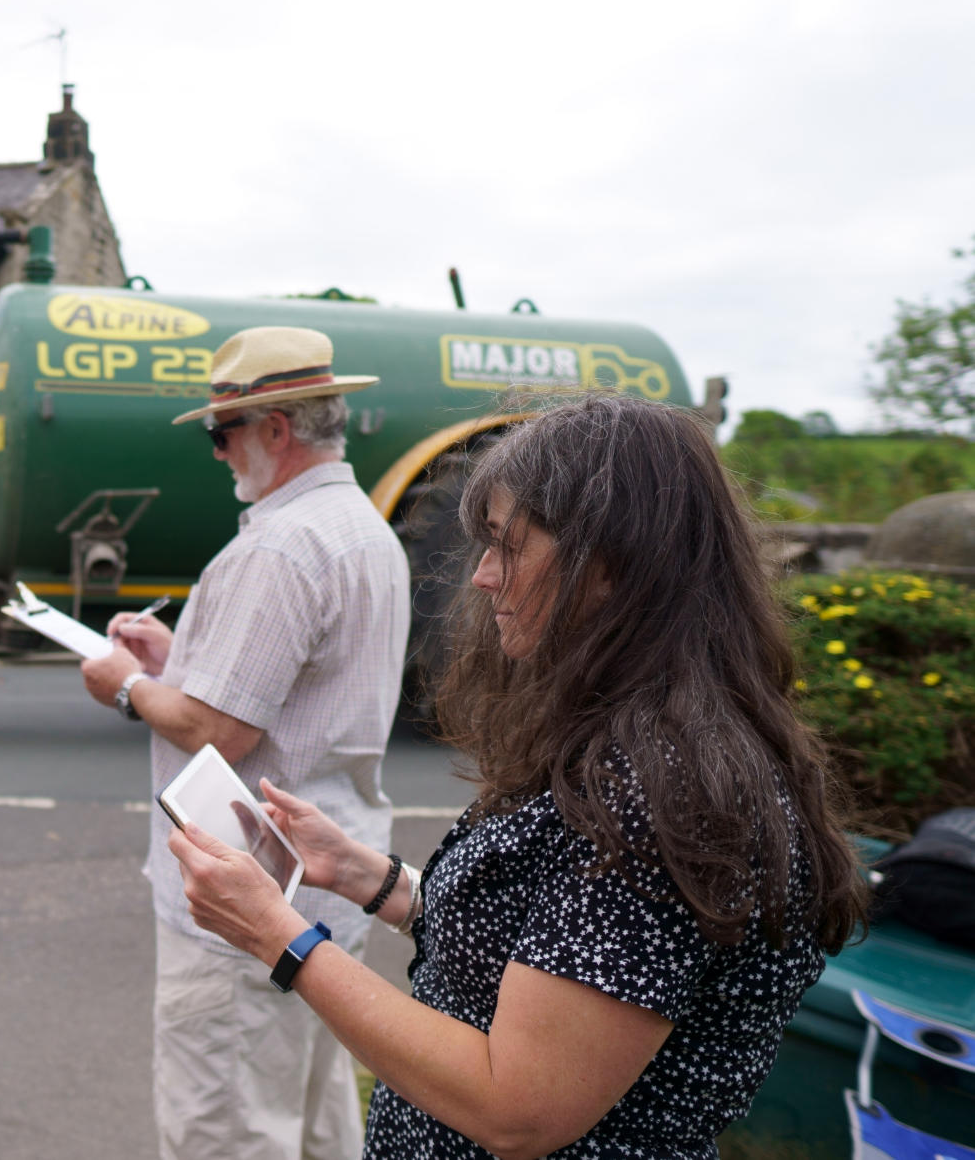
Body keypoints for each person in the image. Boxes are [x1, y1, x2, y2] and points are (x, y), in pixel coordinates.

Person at [166, 393, 869, 1160]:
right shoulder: (640, 739)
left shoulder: (667, 792)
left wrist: (280, 936)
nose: (483, 578)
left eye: (508, 545)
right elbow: (553, 957)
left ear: (610, 560)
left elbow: (517, 1106)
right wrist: (370, 878)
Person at [79, 325, 410, 1160]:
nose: (218, 451)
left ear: (277, 429)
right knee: (314, 1115)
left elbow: (218, 728)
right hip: (332, 883)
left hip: (245, 901)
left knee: (226, 1129)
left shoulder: (279, 545)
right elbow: (296, 688)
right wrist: (174, 660)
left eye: (221, 431)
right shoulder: (362, 527)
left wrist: (122, 681)